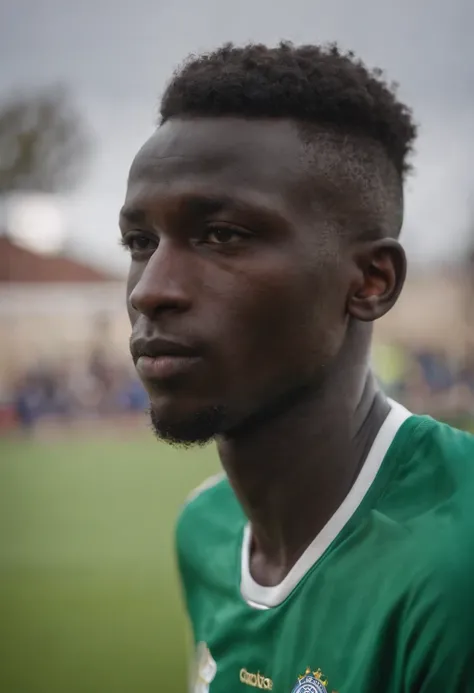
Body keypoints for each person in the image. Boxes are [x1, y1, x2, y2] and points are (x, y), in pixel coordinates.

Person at [120, 42, 474, 692]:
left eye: (222, 234)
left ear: (370, 280)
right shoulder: (207, 527)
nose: (150, 289)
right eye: (141, 243)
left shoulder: (458, 569)